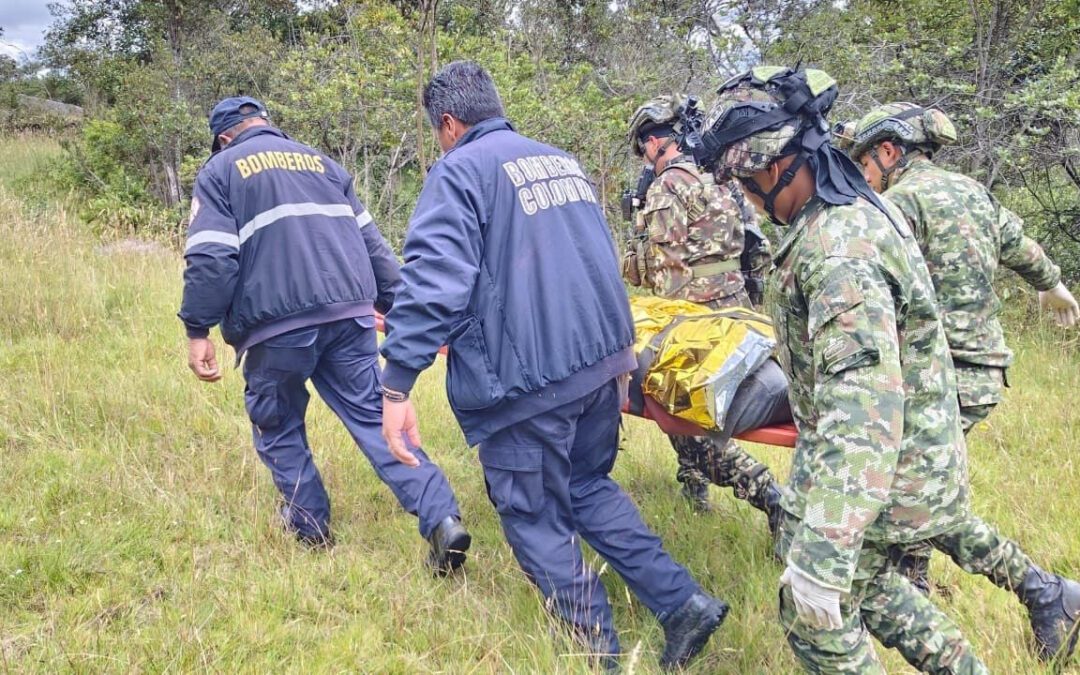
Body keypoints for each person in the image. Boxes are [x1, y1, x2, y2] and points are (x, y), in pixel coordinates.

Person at [696, 66, 1080, 671]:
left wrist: (822, 555)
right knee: (872, 586)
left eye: (745, 183)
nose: (747, 198)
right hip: (907, 453)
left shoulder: (838, 251)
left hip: (889, 465)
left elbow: (862, 412)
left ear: (774, 169)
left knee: (815, 615)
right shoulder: (849, 213)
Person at [378, 61, 727, 670]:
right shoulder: (559, 161)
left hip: (527, 382)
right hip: (602, 363)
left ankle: (599, 654)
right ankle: (683, 604)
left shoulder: (459, 171)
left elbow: (433, 280)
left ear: (449, 124)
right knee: (587, 486)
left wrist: (397, 383)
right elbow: (601, 255)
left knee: (533, 514)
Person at [178, 96, 470, 572]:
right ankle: (442, 518)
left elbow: (212, 259)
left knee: (277, 422)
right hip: (349, 317)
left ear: (224, 137)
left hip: (276, 326)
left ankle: (309, 524)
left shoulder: (221, 170)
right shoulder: (323, 163)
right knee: (376, 417)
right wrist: (399, 309)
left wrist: (197, 328)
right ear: (266, 124)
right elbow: (374, 247)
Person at [842, 104, 1080, 604]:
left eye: (864, 163)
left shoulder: (897, 205)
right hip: (984, 372)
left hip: (936, 377)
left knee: (907, 492)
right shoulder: (974, 191)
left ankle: (1043, 592)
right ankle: (912, 583)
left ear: (889, 152)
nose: (864, 175)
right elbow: (1022, 247)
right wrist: (1053, 286)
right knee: (912, 483)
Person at [624, 94, 783, 522]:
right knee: (698, 414)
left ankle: (770, 496)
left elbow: (664, 270)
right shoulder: (721, 179)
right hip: (739, 312)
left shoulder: (668, 186)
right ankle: (693, 484)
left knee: (685, 419)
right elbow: (757, 249)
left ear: (654, 142)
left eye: (644, 149)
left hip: (696, 321)